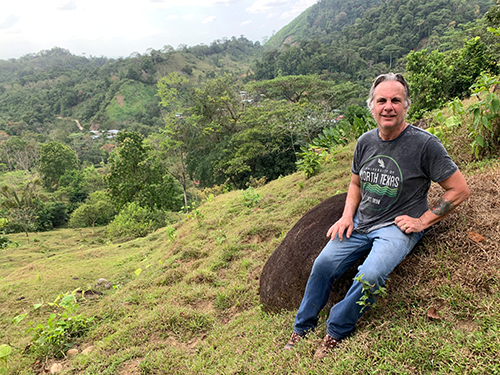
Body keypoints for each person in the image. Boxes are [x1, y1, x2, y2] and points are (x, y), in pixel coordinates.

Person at [284, 73, 470, 360]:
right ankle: (302, 326)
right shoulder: (365, 141)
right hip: (361, 222)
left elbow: (458, 189)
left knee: (370, 275)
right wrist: (347, 216)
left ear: (406, 105)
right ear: (372, 106)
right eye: (381, 100)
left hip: (396, 228)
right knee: (322, 264)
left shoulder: (425, 145)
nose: (388, 107)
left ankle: (336, 330)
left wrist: (422, 221)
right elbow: (356, 183)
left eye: (396, 100)